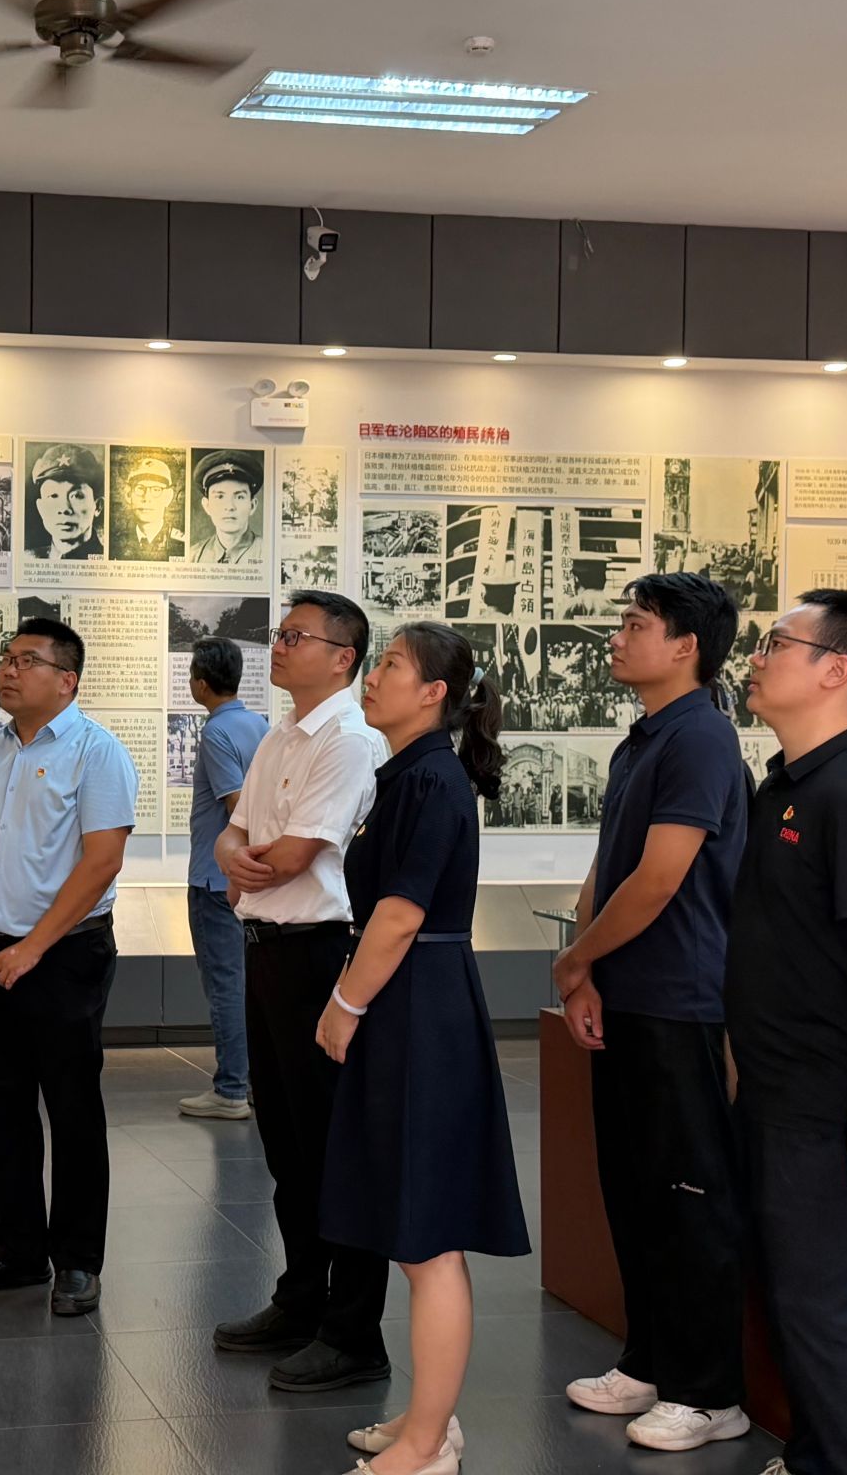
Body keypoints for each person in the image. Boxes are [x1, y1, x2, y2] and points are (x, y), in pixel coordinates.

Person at [318, 623, 529, 1475]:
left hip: (418, 1009)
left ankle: (427, 1442)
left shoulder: (432, 779)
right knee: (412, 1231)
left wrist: (344, 1003)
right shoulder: (407, 774)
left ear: (434, 693)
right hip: (407, 1003)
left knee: (427, 1237)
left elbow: (401, 915)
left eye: (392, 666)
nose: (373, 678)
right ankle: (429, 1417)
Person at [550, 573, 753, 1454]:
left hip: (684, 1002)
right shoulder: (643, 739)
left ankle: (710, 1393)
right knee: (635, 1192)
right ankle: (650, 1361)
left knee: (692, 1199)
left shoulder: (703, 736)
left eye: (636, 624)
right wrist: (586, 971)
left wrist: (576, 958)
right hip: (629, 996)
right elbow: (611, 865)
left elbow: (662, 877)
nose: (617, 636)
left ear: (686, 647)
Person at [726, 589, 847, 1475]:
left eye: (777, 643)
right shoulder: (787, 783)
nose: (757, 657)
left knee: (823, 1310)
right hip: (777, 1090)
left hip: (832, 1100)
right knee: (790, 1300)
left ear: (835, 670)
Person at [212, 590, 390, 1391]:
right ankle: (301, 1298)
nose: (279, 646)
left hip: (321, 953)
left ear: (342, 657)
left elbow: (291, 855)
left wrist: (248, 860)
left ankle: (353, 1331)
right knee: (285, 1143)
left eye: (296, 636)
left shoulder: (349, 740)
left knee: (333, 1146)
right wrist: (238, 856)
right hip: (268, 951)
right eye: (279, 634)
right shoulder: (279, 733)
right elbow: (235, 836)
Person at [0, 617, 139, 1316]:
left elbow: (103, 860)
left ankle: (78, 1260)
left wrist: (34, 948)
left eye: (27, 660)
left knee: (72, 1107)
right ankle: (19, 1246)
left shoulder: (96, 751)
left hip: (65, 955)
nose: (8, 669)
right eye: (6, 658)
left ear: (67, 679)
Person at [177, 636, 267, 1120]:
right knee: (244, 982)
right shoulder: (260, 725)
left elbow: (238, 807)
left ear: (201, 684)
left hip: (216, 878)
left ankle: (231, 1087)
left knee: (225, 983)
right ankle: (251, 1083)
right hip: (245, 878)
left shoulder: (216, 732)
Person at [26, 444, 106, 560]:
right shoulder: (28, 557)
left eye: (77, 496)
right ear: (41, 508)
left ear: (98, 506)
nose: (64, 509)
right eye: (53, 496)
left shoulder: (112, 558)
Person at [192, 448, 263, 565]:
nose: (230, 506)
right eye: (220, 497)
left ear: (252, 505)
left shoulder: (266, 553)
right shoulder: (193, 556)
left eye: (239, 497)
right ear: (207, 506)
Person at [111, 453, 185, 561]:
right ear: (128, 494)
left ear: (168, 497)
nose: (147, 498)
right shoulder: (115, 544)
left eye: (156, 490)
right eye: (140, 488)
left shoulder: (181, 545)